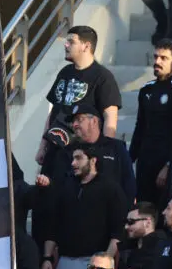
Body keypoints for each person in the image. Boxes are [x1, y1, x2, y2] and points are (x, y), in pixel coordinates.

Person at [42, 142, 127, 269]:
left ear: (93, 160)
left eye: (79, 158)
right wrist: (47, 257)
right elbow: (53, 226)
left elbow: (117, 232)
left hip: (95, 263)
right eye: (72, 158)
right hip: (66, 261)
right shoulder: (65, 186)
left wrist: (104, 263)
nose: (73, 163)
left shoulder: (110, 188)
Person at [37, 26, 121, 165]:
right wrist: (42, 146)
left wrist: (103, 153)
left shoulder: (103, 77)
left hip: (81, 156)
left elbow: (110, 117)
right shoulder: (64, 72)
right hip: (54, 149)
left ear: (86, 46)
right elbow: (53, 113)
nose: (66, 45)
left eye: (71, 41)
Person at [130, 40, 172, 202]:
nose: (157, 61)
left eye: (163, 58)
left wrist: (168, 166)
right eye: (155, 57)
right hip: (144, 160)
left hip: (164, 162)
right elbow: (140, 126)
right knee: (142, 206)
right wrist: (129, 159)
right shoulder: (147, 89)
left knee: (162, 208)